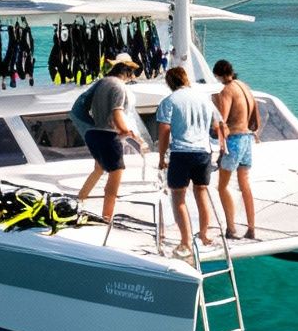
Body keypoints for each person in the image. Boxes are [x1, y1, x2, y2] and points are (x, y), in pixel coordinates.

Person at [155, 65, 223, 256]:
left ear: (169, 82)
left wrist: (161, 157)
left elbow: (164, 131)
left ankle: (185, 241)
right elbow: (216, 126)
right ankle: (204, 234)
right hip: (203, 152)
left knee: (178, 198)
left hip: (181, 152)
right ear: (185, 79)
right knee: (201, 192)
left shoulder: (169, 101)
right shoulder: (204, 100)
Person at [76, 53, 145, 224]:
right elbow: (117, 113)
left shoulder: (102, 84)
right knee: (114, 180)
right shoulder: (119, 87)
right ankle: (107, 218)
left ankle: (79, 201)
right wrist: (128, 131)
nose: (132, 76)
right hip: (108, 136)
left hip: (93, 134)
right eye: (132, 72)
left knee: (98, 170)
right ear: (127, 71)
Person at [212, 58, 259, 241]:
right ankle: (251, 228)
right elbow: (256, 116)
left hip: (235, 140)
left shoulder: (227, 91)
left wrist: (221, 148)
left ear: (218, 75)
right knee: (245, 183)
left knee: (222, 186)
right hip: (248, 137)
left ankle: (231, 229)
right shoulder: (244, 86)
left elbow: (223, 122)